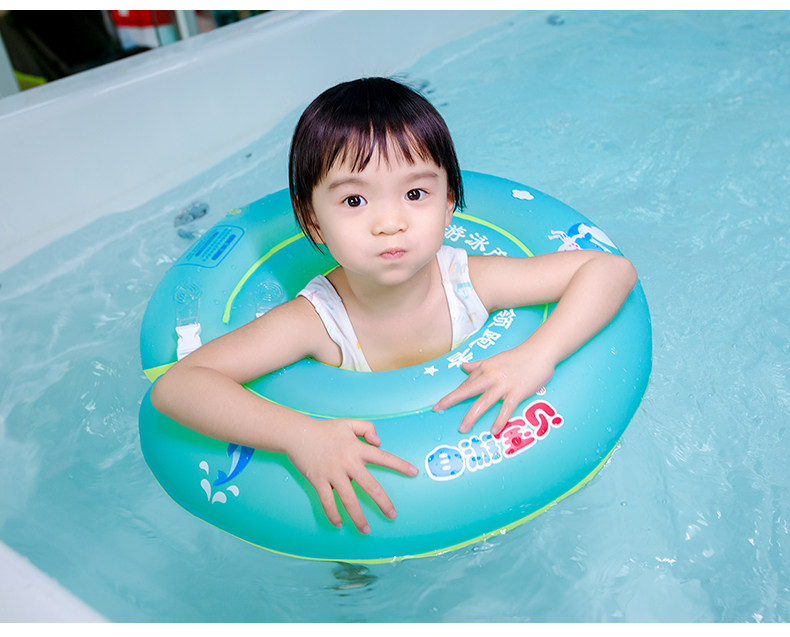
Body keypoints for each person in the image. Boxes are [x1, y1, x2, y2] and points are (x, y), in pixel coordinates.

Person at [151, 77, 637, 536]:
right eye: (354, 201)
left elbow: (609, 270)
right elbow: (179, 386)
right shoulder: (316, 321)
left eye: (415, 193)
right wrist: (299, 435)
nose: (390, 222)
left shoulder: (468, 281)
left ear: (448, 203)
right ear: (312, 220)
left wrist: (538, 354)